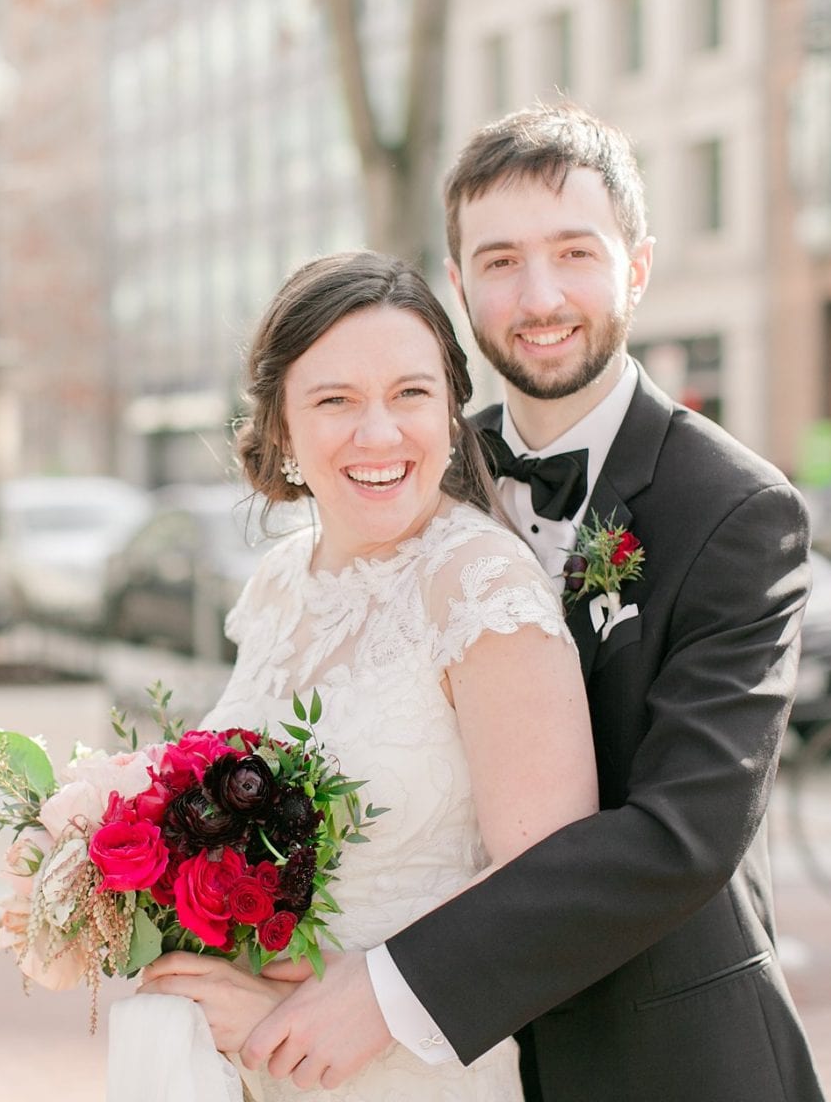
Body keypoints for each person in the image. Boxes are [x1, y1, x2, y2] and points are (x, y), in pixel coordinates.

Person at [237, 102, 826, 1101]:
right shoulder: (414, 457)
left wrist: (388, 988)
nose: (540, 294)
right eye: (501, 261)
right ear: (461, 286)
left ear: (636, 266)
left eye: (574, 253)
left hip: (658, 1058)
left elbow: (684, 833)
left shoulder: (738, 511)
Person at [135, 249, 599, 1099]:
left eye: (411, 394)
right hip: (255, 1070)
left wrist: (318, 1013)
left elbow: (553, 886)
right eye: (336, 400)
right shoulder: (280, 580)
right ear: (281, 426)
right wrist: (95, 881)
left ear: (453, 410)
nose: (379, 434)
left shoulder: (481, 587)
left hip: (408, 1074)